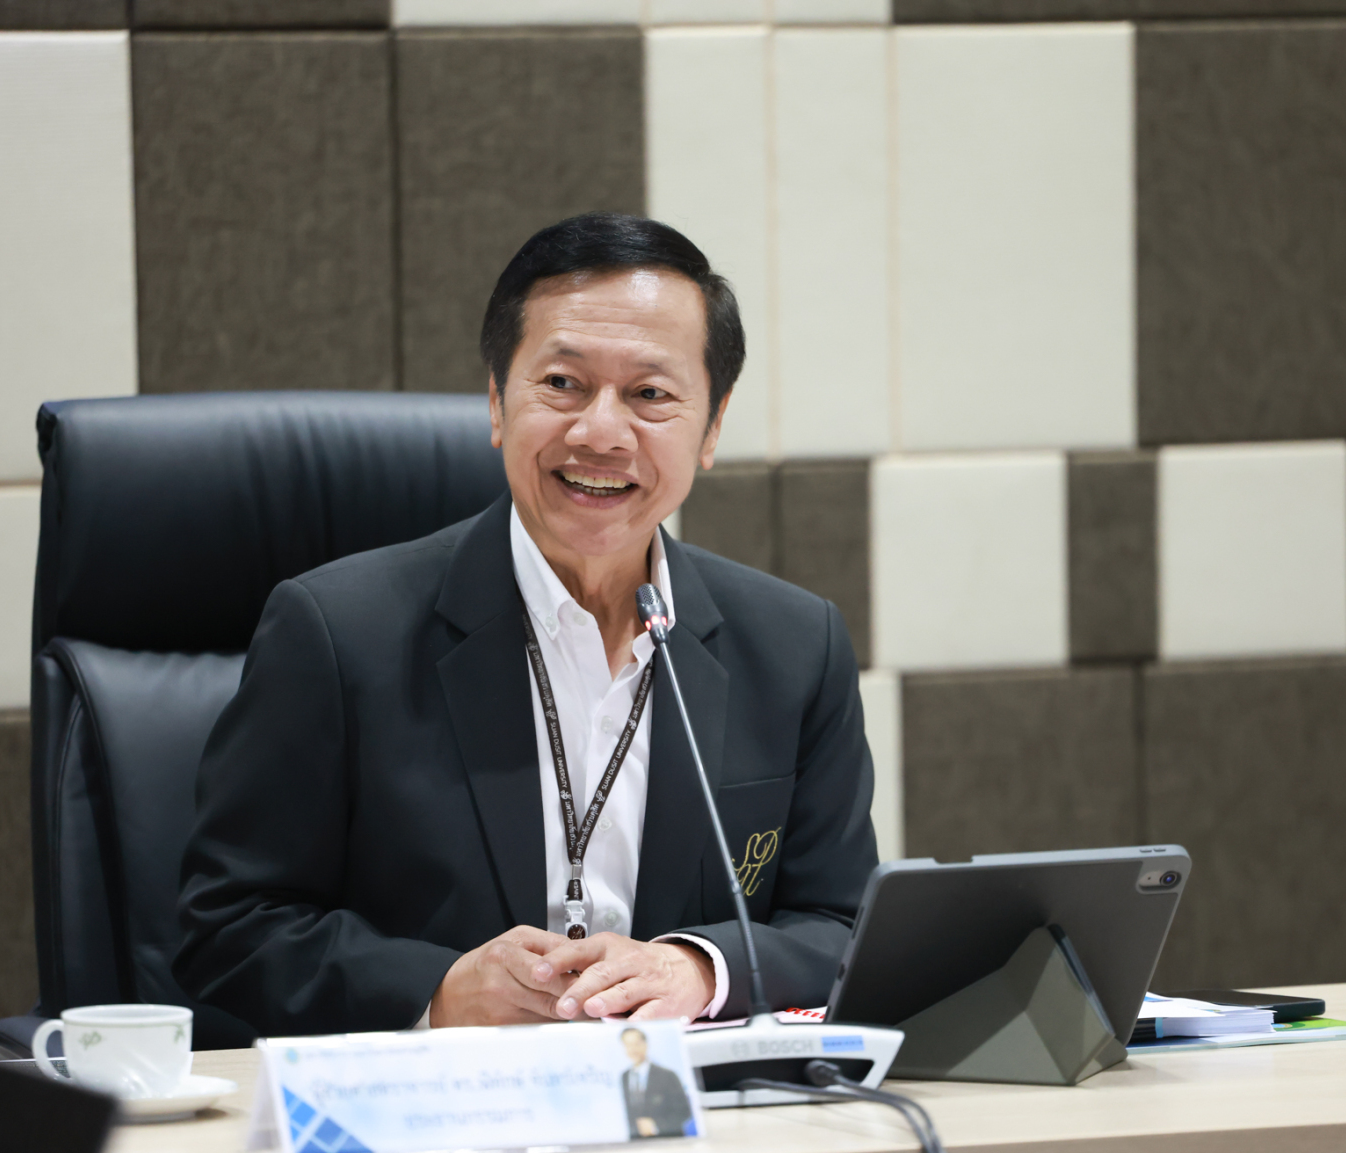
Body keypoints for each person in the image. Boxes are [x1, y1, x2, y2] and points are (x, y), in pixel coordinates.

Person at [173, 211, 878, 1033]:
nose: (600, 432)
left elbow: (843, 925)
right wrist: (438, 993)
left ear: (712, 426)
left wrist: (700, 968)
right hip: (437, 1104)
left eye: (650, 394)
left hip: (684, 1102)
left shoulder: (795, 646)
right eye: (563, 384)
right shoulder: (336, 633)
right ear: (497, 403)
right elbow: (228, 928)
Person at [619, 1028, 693, 1138]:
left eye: (636, 1044)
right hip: (637, 1143)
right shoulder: (624, 1077)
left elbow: (684, 1111)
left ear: (645, 1044)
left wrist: (656, 1126)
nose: (633, 1049)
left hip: (668, 1139)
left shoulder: (667, 1075)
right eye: (628, 1045)